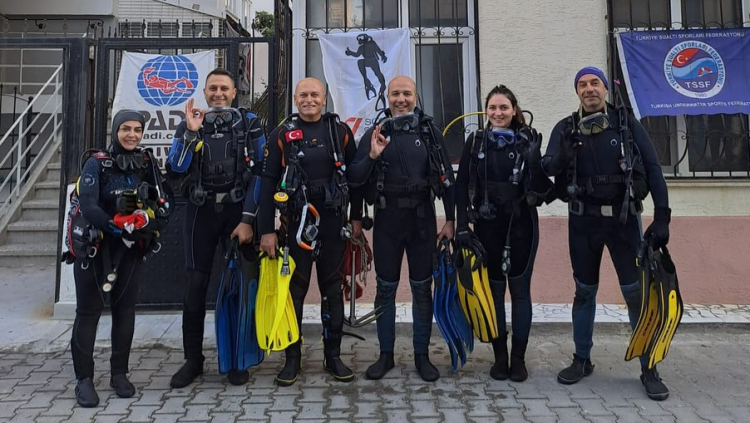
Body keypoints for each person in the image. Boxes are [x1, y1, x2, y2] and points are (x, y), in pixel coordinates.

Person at [542, 67, 672, 400]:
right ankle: (582, 359)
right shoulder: (565, 128)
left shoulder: (626, 125)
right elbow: (547, 171)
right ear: (577, 92)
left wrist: (662, 217)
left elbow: (654, 169)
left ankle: (648, 366)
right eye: (582, 85)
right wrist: (563, 155)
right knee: (584, 292)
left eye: (594, 83)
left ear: (604, 89)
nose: (589, 89)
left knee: (634, 294)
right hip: (583, 224)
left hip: (624, 223)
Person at [347, 75, 455, 382]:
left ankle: (422, 355)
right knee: (385, 290)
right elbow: (354, 180)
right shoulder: (376, 132)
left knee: (423, 290)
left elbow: (448, 177)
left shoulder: (430, 131)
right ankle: (386, 355)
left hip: (422, 221)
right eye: (395, 94)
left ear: (416, 97)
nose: (401, 99)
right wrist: (371, 155)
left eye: (407, 93)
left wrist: (451, 219)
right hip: (386, 222)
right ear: (388, 98)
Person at [166, 68, 267, 388]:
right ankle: (193, 359)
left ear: (235, 92)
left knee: (239, 288)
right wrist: (191, 132)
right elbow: (175, 167)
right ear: (205, 92)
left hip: (239, 214)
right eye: (213, 88)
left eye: (224, 88)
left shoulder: (249, 124)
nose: (218, 93)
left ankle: (238, 359)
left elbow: (263, 172)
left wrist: (248, 219)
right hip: (200, 213)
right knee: (194, 288)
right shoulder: (190, 124)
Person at [258, 77, 362, 386]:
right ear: (295, 99)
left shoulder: (339, 132)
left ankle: (334, 357)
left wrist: (357, 218)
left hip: (332, 224)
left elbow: (355, 179)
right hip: (294, 227)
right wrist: (266, 231)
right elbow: (266, 185)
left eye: (314, 94)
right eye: (303, 94)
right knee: (295, 293)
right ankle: (293, 359)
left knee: (332, 291)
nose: (309, 99)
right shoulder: (281, 135)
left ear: (324, 97)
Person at [70, 109, 172, 407]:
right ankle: (84, 380)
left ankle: (119, 374)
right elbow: (89, 205)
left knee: (125, 310)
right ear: (115, 131)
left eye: (137, 130)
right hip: (96, 247)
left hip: (130, 249)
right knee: (88, 313)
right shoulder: (96, 163)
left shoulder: (146, 162)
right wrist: (114, 225)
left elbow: (164, 198)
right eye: (125, 129)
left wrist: (152, 221)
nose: (132, 135)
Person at [454, 85, 552, 382]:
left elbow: (543, 191)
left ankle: (518, 359)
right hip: (488, 226)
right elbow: (460, 188)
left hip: (522, 226)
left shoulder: (527, 141)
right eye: (493, 108)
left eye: (504, 108)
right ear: (487, 112)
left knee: (520, 292)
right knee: (494, 292)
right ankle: (500, 357)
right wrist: (461, 226)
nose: (498, 113)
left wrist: (534, 159)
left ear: (514, 110)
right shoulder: (475, 142)